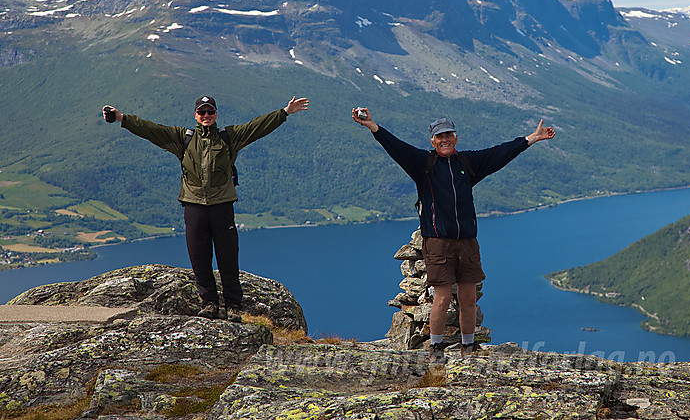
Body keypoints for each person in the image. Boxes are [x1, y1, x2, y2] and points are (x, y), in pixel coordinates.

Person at [352, 107, 555, 363]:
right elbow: (396, 147)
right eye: (439, 136)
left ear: (455, 138)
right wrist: (372, 126)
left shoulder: (467, 163)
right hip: (438, 242)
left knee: (468, 298)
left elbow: (499, 153)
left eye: (448, 135)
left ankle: (468, 347)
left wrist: (531, 139)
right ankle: (436, 348)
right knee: (443, 297)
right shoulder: (423, 164)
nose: (444, 139)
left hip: (467, 242)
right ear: (432, 141)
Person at [102, 95, 309, 322]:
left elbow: (257, 127)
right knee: (199, 259)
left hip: (222, 207)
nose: (206, 116)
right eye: (202, 112)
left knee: (228, 259)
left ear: (216, 114)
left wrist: (285, 112)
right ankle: (209, 304)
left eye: (210, 112)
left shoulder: (229, 137)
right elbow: (151, 129)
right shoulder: (183, 138)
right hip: (194, 207)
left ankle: (233, 307)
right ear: (196, 115)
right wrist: (121, 118)